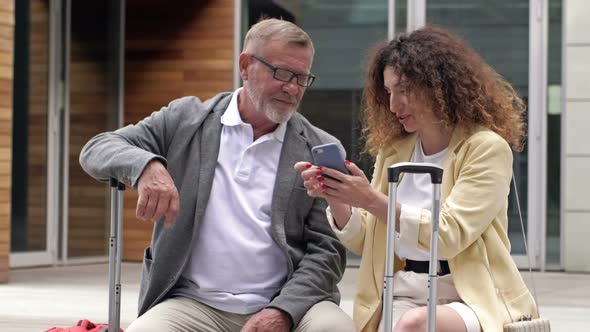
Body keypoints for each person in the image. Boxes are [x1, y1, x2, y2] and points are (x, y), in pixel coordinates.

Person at [80, 18, 356, 332]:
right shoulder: (186, 121)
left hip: (290, 304)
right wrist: (147, 166)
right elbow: (97, 148)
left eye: (301, 77)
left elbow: (327, 251)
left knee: (335, 328)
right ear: (245, 65)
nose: (291, 88)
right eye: (281, 73)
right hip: (193, 302)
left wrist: (283, 310)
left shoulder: (319, 147)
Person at [295, 25, 538, 332]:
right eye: (389, 92)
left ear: (440, 86)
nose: (395, 105)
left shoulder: (485, 148)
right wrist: (337, 196)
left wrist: (369, 199)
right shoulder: (396, 151)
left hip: (471, 296)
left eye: (405, 90)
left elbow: (448, 235)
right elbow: (367, 239)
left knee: (414, 325)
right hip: (403, 289)